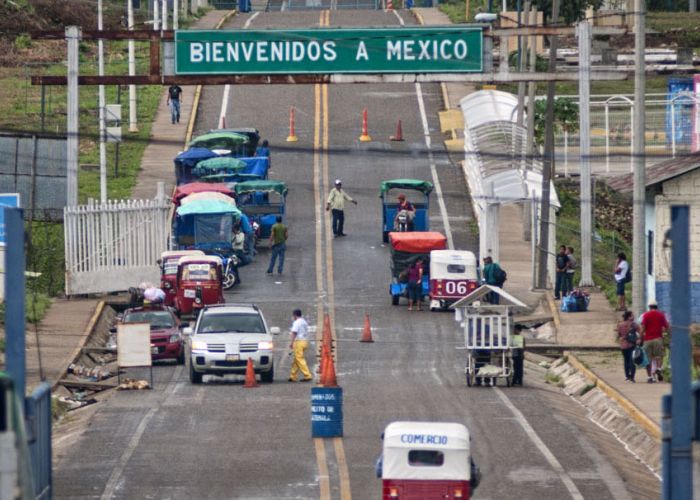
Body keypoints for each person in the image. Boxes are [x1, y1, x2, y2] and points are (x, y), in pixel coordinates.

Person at [640, 300, 670, 383]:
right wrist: (669, 335)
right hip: (658, 339)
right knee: (659, 356)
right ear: (657, 307)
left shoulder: (646, 315)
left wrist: (640, 338)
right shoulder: (661, 315)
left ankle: (650, 377)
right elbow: (667, 327)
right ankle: (659, 369)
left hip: (647, 339)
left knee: (648, 359)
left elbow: (643, 328)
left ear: (649, 307)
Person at [288, 309, 313, 382]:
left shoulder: (297, 322)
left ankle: (307, 375)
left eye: (293, 315)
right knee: (296, 359)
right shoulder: (304, 322)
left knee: (299, 358)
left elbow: (294, 333)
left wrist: (291, 343)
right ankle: (293, 376)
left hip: (299, 341)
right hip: (305, 341)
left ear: (295, 315)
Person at [617, 310, 641, 382]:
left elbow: (619, 334)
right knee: (632, 361)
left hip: (623, 345)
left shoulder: (620, 324)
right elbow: (640, 332)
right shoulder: (634, 325)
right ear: (629, 317)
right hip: (632, 344)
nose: (633, 317)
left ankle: (627, 376)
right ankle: (632, 377)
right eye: (632, 315)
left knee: (626, 361)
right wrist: (639, 340)